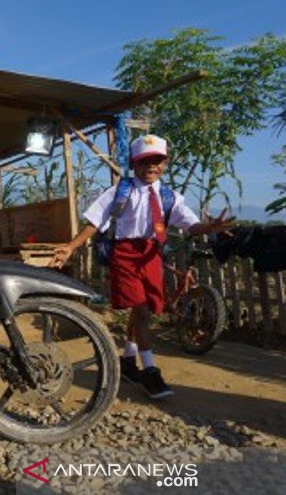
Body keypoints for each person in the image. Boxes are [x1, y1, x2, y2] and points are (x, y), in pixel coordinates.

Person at [49, 134, 232, 399]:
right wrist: (71, 246)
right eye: (145, 161)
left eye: (157, 161)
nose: (151, 166)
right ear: (134, 164)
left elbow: (191, 225)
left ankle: (128, 360)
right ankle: (150, 372)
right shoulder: (120, 191)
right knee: (143, 311)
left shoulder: (170, 197)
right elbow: (94, 221)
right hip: (124, 254)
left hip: (152, 254)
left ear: (165, 163)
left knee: (145, 309)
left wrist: (210, 227)